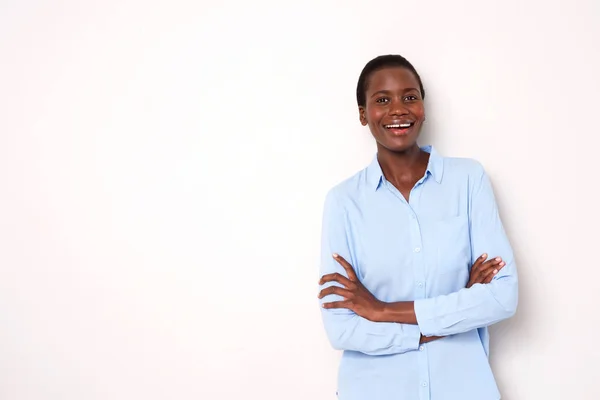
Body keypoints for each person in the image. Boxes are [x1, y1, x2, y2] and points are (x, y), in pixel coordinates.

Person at [317, 55, 518, 400]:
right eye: (382, 100)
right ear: (363, 114)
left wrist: (380, 310)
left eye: (410, 97)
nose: (399, 109)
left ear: (423, 107)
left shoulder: (468, 181)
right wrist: (458, 310)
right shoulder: (343, 202)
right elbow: (342, 328)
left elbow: (502, 298)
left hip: (464, 389)